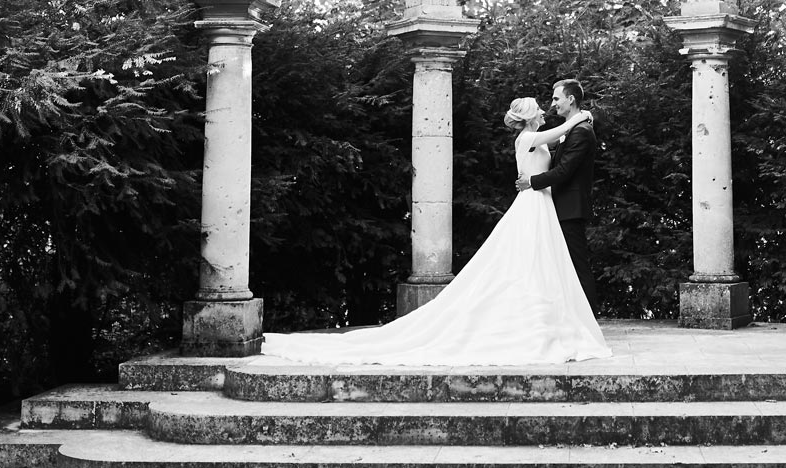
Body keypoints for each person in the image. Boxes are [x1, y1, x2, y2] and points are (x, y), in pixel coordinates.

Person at [259, 96, 610, 367]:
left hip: (542, 205)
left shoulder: (538, 138)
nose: (545, 110)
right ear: (529, 116)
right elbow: (558, 133)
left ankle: (548, 321)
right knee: (524, 264)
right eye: (539, 108)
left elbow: (558, 150)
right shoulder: (528, 137)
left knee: (542, 266)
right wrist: (580, 117)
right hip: (532, 206)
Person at [515, 79, 600, 315]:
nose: (551, 105)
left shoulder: (580, 131)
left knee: (576, 265)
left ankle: (588, 319)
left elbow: (564, 171)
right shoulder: (567, 130)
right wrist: (582, 115)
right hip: (550, 206)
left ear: (570, 99)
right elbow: (559, 142)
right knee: (556, 265)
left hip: (569, 207)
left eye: (555, 99)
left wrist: (530, 182)